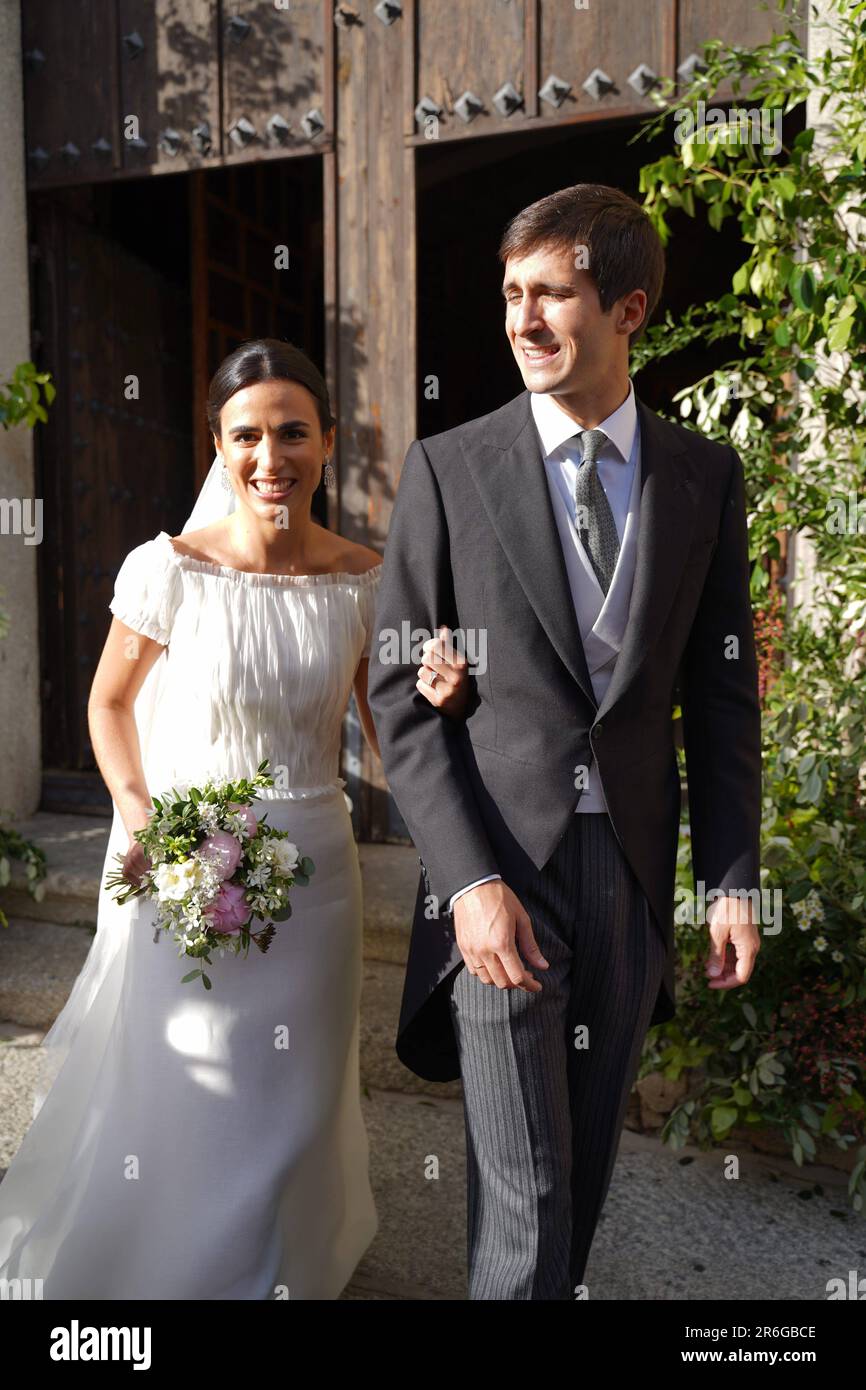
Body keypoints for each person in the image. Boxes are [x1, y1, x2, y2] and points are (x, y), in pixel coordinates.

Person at [0, 338, 469, 1300]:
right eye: (246, 435)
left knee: (293, 1099)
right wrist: (144, 822)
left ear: (329, 443)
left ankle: (271, 1273)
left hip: (318, 878)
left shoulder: (362, 579)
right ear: (217, 445)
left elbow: (392, 733)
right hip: (188, 866)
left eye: (293, 432)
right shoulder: (168, 568)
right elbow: (109, 705)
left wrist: (449, 710)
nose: (271, 457)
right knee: (196, 1083)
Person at [368, 183, 763, 1299]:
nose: (521, 321)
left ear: (627, 309)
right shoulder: (449, 468)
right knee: (526, 1188)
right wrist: (467, 883)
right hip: (500, 867)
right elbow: (401, 692)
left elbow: (723, 697)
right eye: (509, 295)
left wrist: (728, 879)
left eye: (552, 294)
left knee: (578, 1179)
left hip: (630, 876)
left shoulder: (701, 478)